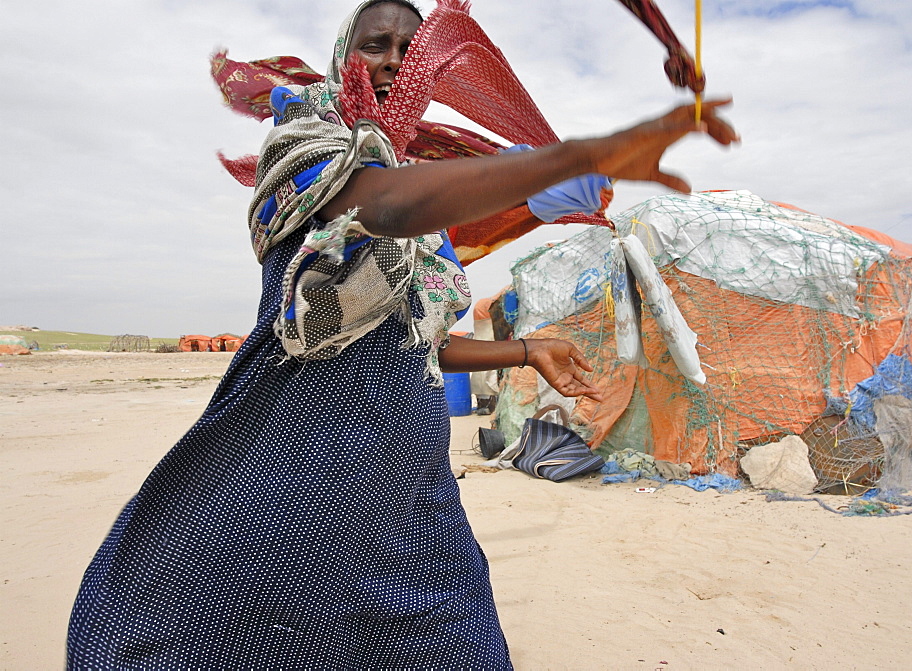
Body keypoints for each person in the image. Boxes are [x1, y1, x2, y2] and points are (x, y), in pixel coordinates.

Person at [66, 0, 738, 667]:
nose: (394, 62)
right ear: (343, 56)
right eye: (375, 45)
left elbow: (422, 344)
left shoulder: (420, 200)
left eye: (409, 50)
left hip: (411, 500)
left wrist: (526, 349)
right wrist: (581, 156)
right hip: (295, 473)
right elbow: (381, 204)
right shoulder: (306, 141)